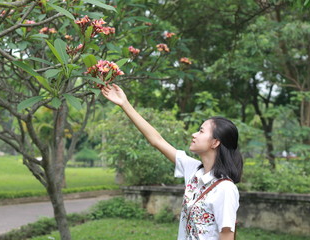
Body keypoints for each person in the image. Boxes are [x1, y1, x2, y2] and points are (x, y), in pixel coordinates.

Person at [101, 84, 243, 240]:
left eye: (201, 131)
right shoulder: (194, 170)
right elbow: (157, 140)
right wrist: (124, 104)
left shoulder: (225, 189)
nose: (194, 134)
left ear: (215, 143)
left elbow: (227, 235)